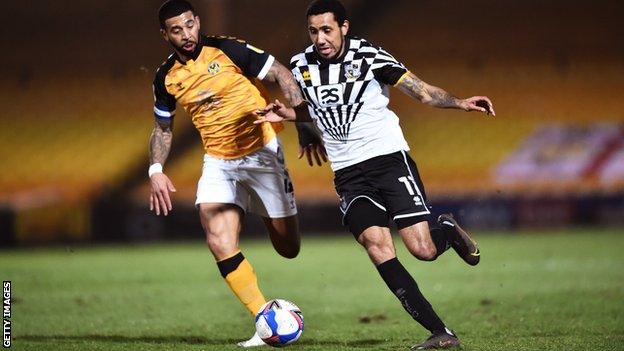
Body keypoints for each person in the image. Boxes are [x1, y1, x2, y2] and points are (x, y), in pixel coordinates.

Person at [254, 0, 496, 349]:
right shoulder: (300, 64)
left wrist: (459, 102)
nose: (320, 38)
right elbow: (315, 106)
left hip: (388, 161)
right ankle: (440, 332)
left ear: (344, 27)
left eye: (327, 29)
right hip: (348, 174)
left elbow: (422, 91)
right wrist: (290, 115)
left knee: (423, 250)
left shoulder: (369, 55)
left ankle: (446, 229)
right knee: (377, 246)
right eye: (313, 31)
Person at [148, 0, 325, 347]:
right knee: (218, 238)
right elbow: (162, 128)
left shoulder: (228, 49)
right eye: (176, 30)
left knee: (288, 248)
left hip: (263, 155)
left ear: (197, 22)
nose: (186, 35)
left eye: (189, 25)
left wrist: (303, 123)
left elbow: (281, 74)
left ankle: (261, 209)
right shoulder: (165, 77)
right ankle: (264, 318)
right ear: (164, 34)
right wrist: (155, 169)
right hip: (219, 162)